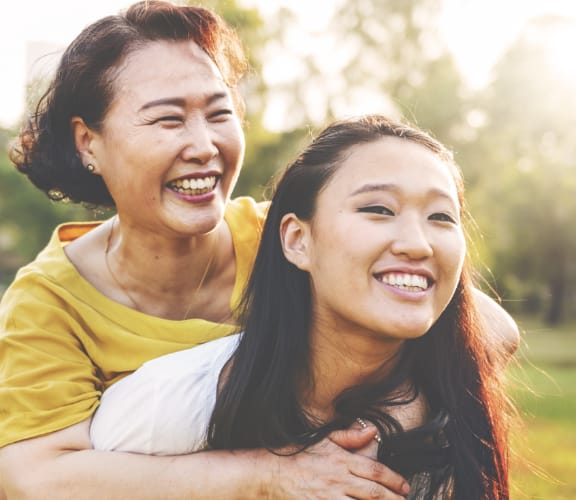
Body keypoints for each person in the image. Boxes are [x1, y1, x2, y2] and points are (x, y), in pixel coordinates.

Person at [0, 1, 517, 498]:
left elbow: (487, 331)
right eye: (168, 119)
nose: (204, 145)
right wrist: (270, 474)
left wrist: (366, 433)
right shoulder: (48, 304)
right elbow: (35, 481)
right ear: (88, 142)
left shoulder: (284, 232)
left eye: (218, 113)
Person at [90, 114, 513, 499]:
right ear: (297, 241)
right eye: (379, 209)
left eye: (441, 217)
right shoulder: (166, 406)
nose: (417, 244)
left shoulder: (453, 410)